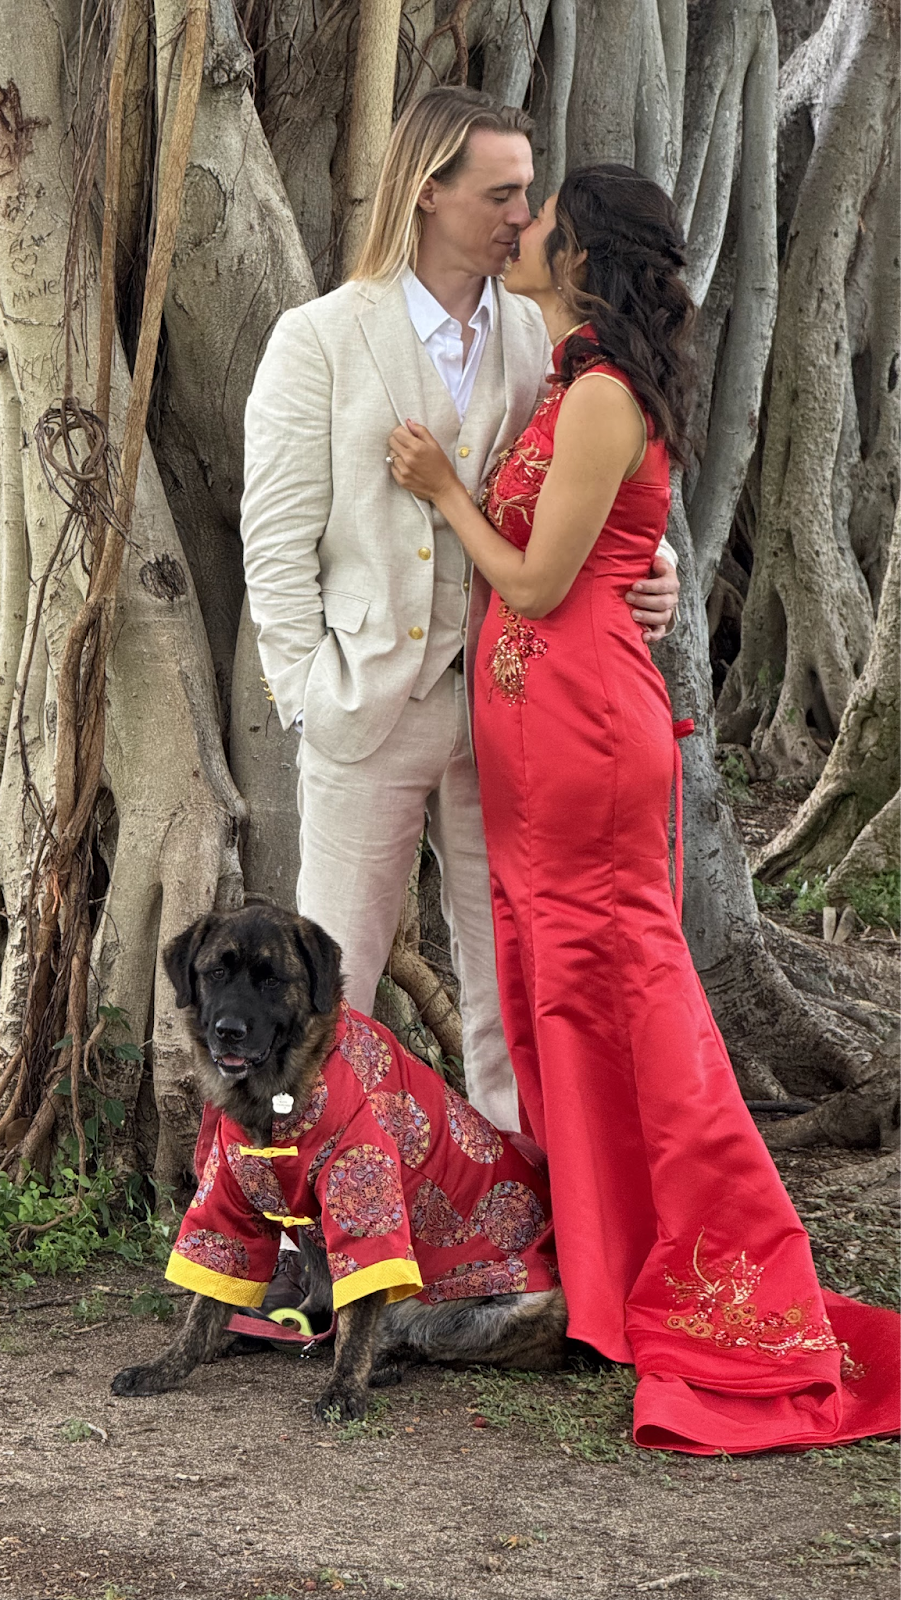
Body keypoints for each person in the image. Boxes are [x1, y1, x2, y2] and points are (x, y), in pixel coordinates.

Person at [385, 162, 901, 1453]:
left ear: (582, 256)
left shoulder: (605, 394)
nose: (521, 230)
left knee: (623, 990)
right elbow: (617, 543)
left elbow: (538, 581)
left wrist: (443, 492)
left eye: (544, 219)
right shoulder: (570, 384)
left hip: (586, 737)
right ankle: (603, 1269)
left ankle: (727, 1259)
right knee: (557, 992)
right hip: (534, 739)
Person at [241, 89, 679, 1133]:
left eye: (529, 194)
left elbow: (586, 476)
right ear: (426, 193)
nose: (523, 219)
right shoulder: (320, 338)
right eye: (500, 195)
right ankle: (311, 1203)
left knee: (510, 984)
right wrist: (307, 694)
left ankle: (521, 1196)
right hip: (367, 706)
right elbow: (275, 540)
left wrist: (650, 563)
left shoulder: (540, 330)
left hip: (515, 713)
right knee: (330, 987)